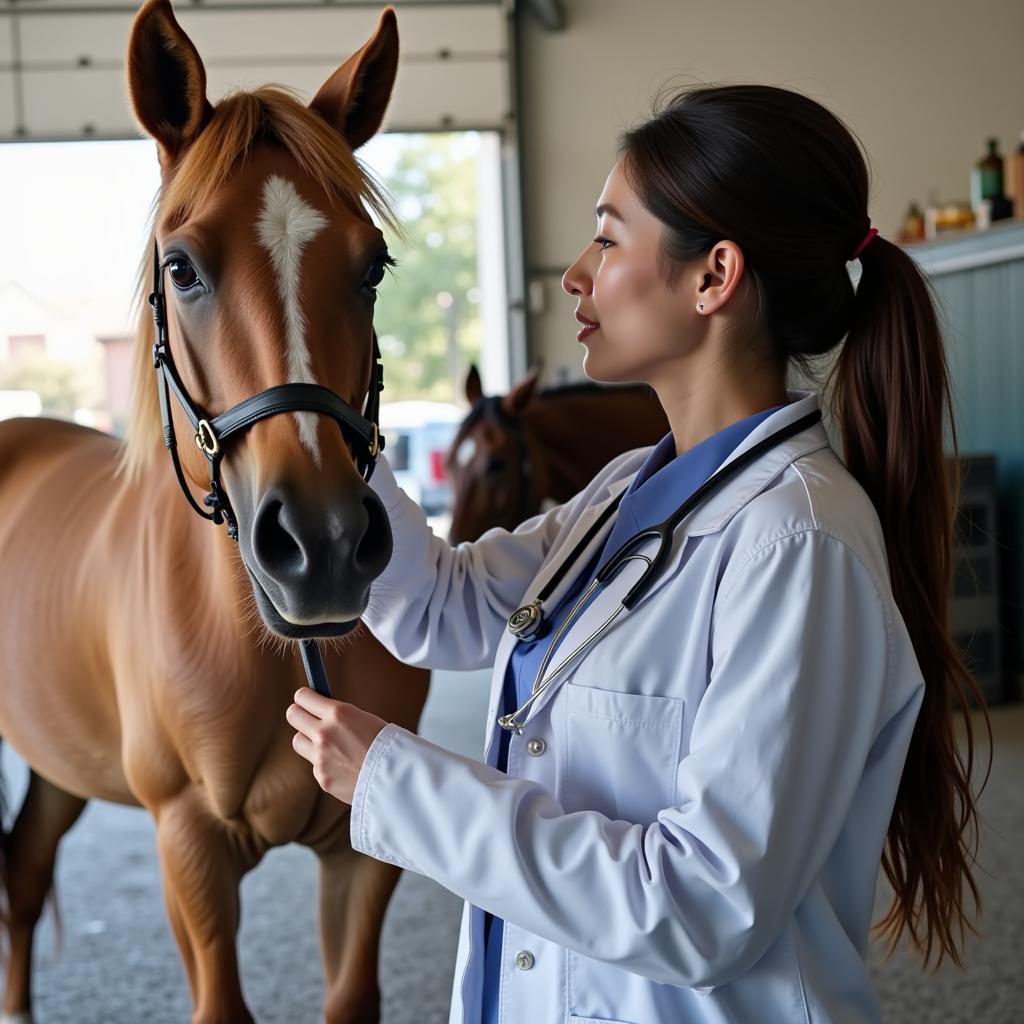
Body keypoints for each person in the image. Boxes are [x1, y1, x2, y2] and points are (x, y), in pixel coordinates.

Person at [286, 83, 990, 1023]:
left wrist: (400, 784)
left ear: (714, 277)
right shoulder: (624, 492)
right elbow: (439, 607)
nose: (577, 274)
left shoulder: (798, 544)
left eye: (609, 239)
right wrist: (319, 419)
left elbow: (704, 906)